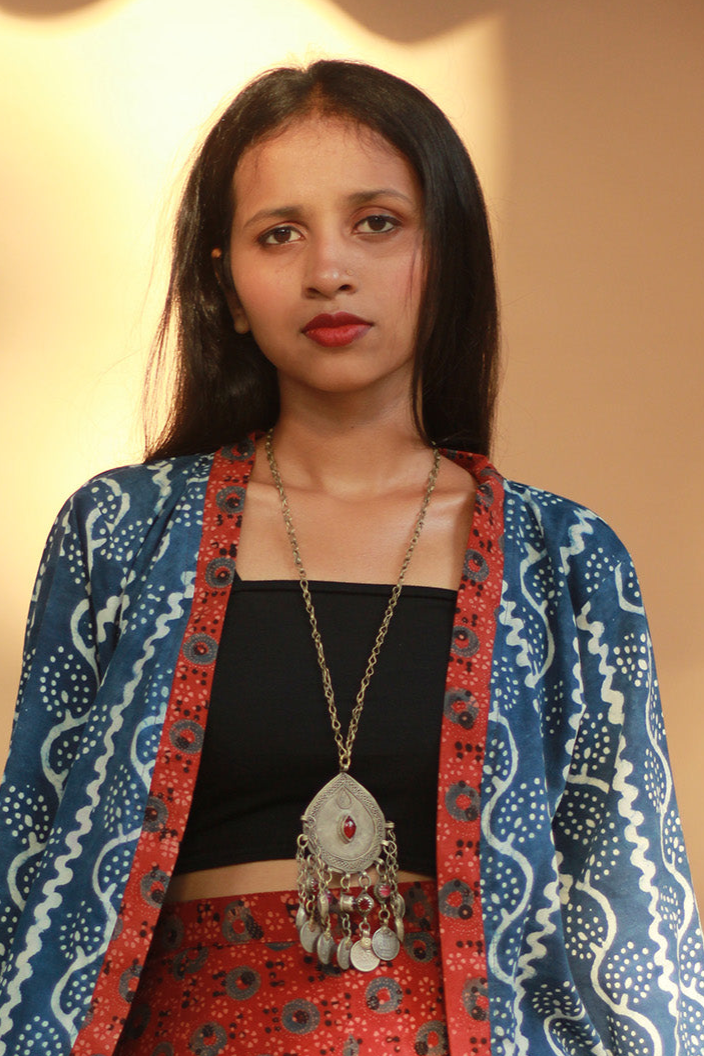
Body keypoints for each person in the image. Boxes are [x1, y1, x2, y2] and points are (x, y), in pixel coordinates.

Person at [0, 59, 701, 1056]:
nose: (327, 269)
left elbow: (625, 911)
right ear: (228, 288)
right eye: (277, 233)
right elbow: (32, 865)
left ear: (448, 255)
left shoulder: (564, 560)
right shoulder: (121, 532)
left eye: (375, 223)